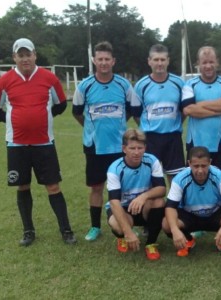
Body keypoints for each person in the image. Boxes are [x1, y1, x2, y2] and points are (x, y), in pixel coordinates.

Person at [0, 37, 76, 246]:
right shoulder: (4, 81)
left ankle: (66, 230)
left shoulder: (49, 78)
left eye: (28, 54)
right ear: (14, 57)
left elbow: (61, 104)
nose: (25, 59)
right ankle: (28, 231)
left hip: (44, 143)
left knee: (53, 186)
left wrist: (44, 118)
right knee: (22, 186)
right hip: (16, 145)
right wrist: (10, 120)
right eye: (21, 55)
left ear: (35, 55)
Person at [73, 41, 140, 241]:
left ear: (113, 61)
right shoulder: (85, 86)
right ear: (94, 61)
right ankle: (95, 227)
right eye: (100, 59)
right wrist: (90, 128)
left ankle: (129, 223)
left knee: (126, 186)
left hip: (119, 146)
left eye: (107, 59)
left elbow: (133, 109)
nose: (103, 63)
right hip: (95, 146)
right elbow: (77, 113)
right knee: (96, 187)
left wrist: (120, 125)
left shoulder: (123, 84)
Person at [162, 146, 221, 258]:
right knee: (167, 224)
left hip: (215, 214)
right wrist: (175, 230)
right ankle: (188, 240)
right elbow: (170, 207)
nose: (200, 170)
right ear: (189, 163)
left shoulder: (219, 176)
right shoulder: (180, 179)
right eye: (196, 166)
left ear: (209, 162)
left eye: (204, 166)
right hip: (190, 216)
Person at [106, 129, 166, 261]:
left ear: (145, 148)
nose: (137, 152)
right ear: (124, 148)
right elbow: (114, 202)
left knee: (159, 202)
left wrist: (143, 197)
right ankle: (122, 237)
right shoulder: (114, 169)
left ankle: (151, 244)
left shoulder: (152, 161)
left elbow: (162, 189)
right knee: (117, 226)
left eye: (140, 148)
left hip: (143, 206)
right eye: (132, 148)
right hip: (122, 208)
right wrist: (128, 232)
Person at [133, 44, 186, 183]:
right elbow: (137, 114)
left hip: (173, 137)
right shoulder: (140, 85)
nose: (159, 63)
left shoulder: (179, 83)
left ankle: (173, 205)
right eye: (156, 60)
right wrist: (148, 127)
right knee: (150, 180)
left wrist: (175, 124)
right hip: (150, 138)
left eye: (163, 60)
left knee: (175, 180)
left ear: (168, 60)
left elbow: (184, 111)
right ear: (149, 61)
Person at [181, 46, 221, 179]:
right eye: (204, 62)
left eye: (211, 62)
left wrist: (199, 105)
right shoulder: (190, 85)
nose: (208, 66)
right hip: (196, 144)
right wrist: (218, 111)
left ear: (217, 62)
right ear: (198, 64)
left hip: (220, 144)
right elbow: (188, 109)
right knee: (193, 185)